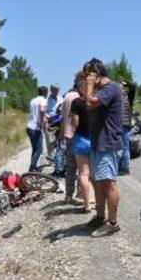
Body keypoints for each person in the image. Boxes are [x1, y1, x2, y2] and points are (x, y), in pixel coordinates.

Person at [83, 58, 124, 237]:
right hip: (99, 143)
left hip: (108, 143)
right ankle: (100, 217)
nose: (86, 80)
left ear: (96, 74)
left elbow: (89, 103)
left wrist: (90, 86)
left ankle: (113, 223)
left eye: (89, 76)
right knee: (98, 182)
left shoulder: (111, 88)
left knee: (109, 183)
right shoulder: (103, 89)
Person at [70, 72, 93, 213]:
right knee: (95, 174)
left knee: (83, 174)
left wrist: (72, 119)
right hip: (95, 141)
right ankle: (96, 201)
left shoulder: (77, 102)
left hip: (81, 140)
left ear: (80, 89)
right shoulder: (96, 102)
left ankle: (86, 205)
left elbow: (75, 123)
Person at [60, 74, 81, 203]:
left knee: (71, 168)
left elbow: (63, 118)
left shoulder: (67, 96)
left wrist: (61, 134)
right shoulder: (79, 97)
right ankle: (80, 194)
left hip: (68, 136)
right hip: (78, 135)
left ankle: (68, 195)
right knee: (83, 168)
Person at [26, 86, 48, 172]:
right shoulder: (43, 100)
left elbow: (35, 113)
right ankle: (32, 168)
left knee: (35, 149)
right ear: (46, 93)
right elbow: (42, 110)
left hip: (29, 127)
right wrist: (43, 121)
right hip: (35, 128)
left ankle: (32, 168)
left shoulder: (33, 100)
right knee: (39, 149)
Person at [44, 83, 61, 156]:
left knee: (59, 139)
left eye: (57, 90)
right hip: (50, 121)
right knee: (49, 139)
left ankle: (58, 156)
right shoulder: (46, 100)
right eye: (54, 90)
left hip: (60, 120)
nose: (56, 91)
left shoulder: (61, 99)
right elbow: (44, 112)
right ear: (51, 90)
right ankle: (50, 155)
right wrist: (46, 123)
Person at [119, 82, 133, 175]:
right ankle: (124, 167)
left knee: (122, 147)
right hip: (126, 125)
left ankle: (124, 168)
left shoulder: (121, 98)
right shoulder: (128, 98)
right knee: (125, 147)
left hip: (122, 125)